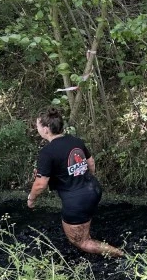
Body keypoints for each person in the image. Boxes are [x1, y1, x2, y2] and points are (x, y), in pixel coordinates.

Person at [27, 108, 123, 257]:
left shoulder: (47, 152)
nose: (36, 128)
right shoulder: (75, 141)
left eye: (37, 126)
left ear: (46, 130)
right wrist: (83, 179)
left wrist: (31, 199)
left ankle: (122, 255)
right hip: (93, 189)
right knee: (83, 227)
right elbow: (90, 163)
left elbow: (40, 184)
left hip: (77, 201)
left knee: (81, 242)